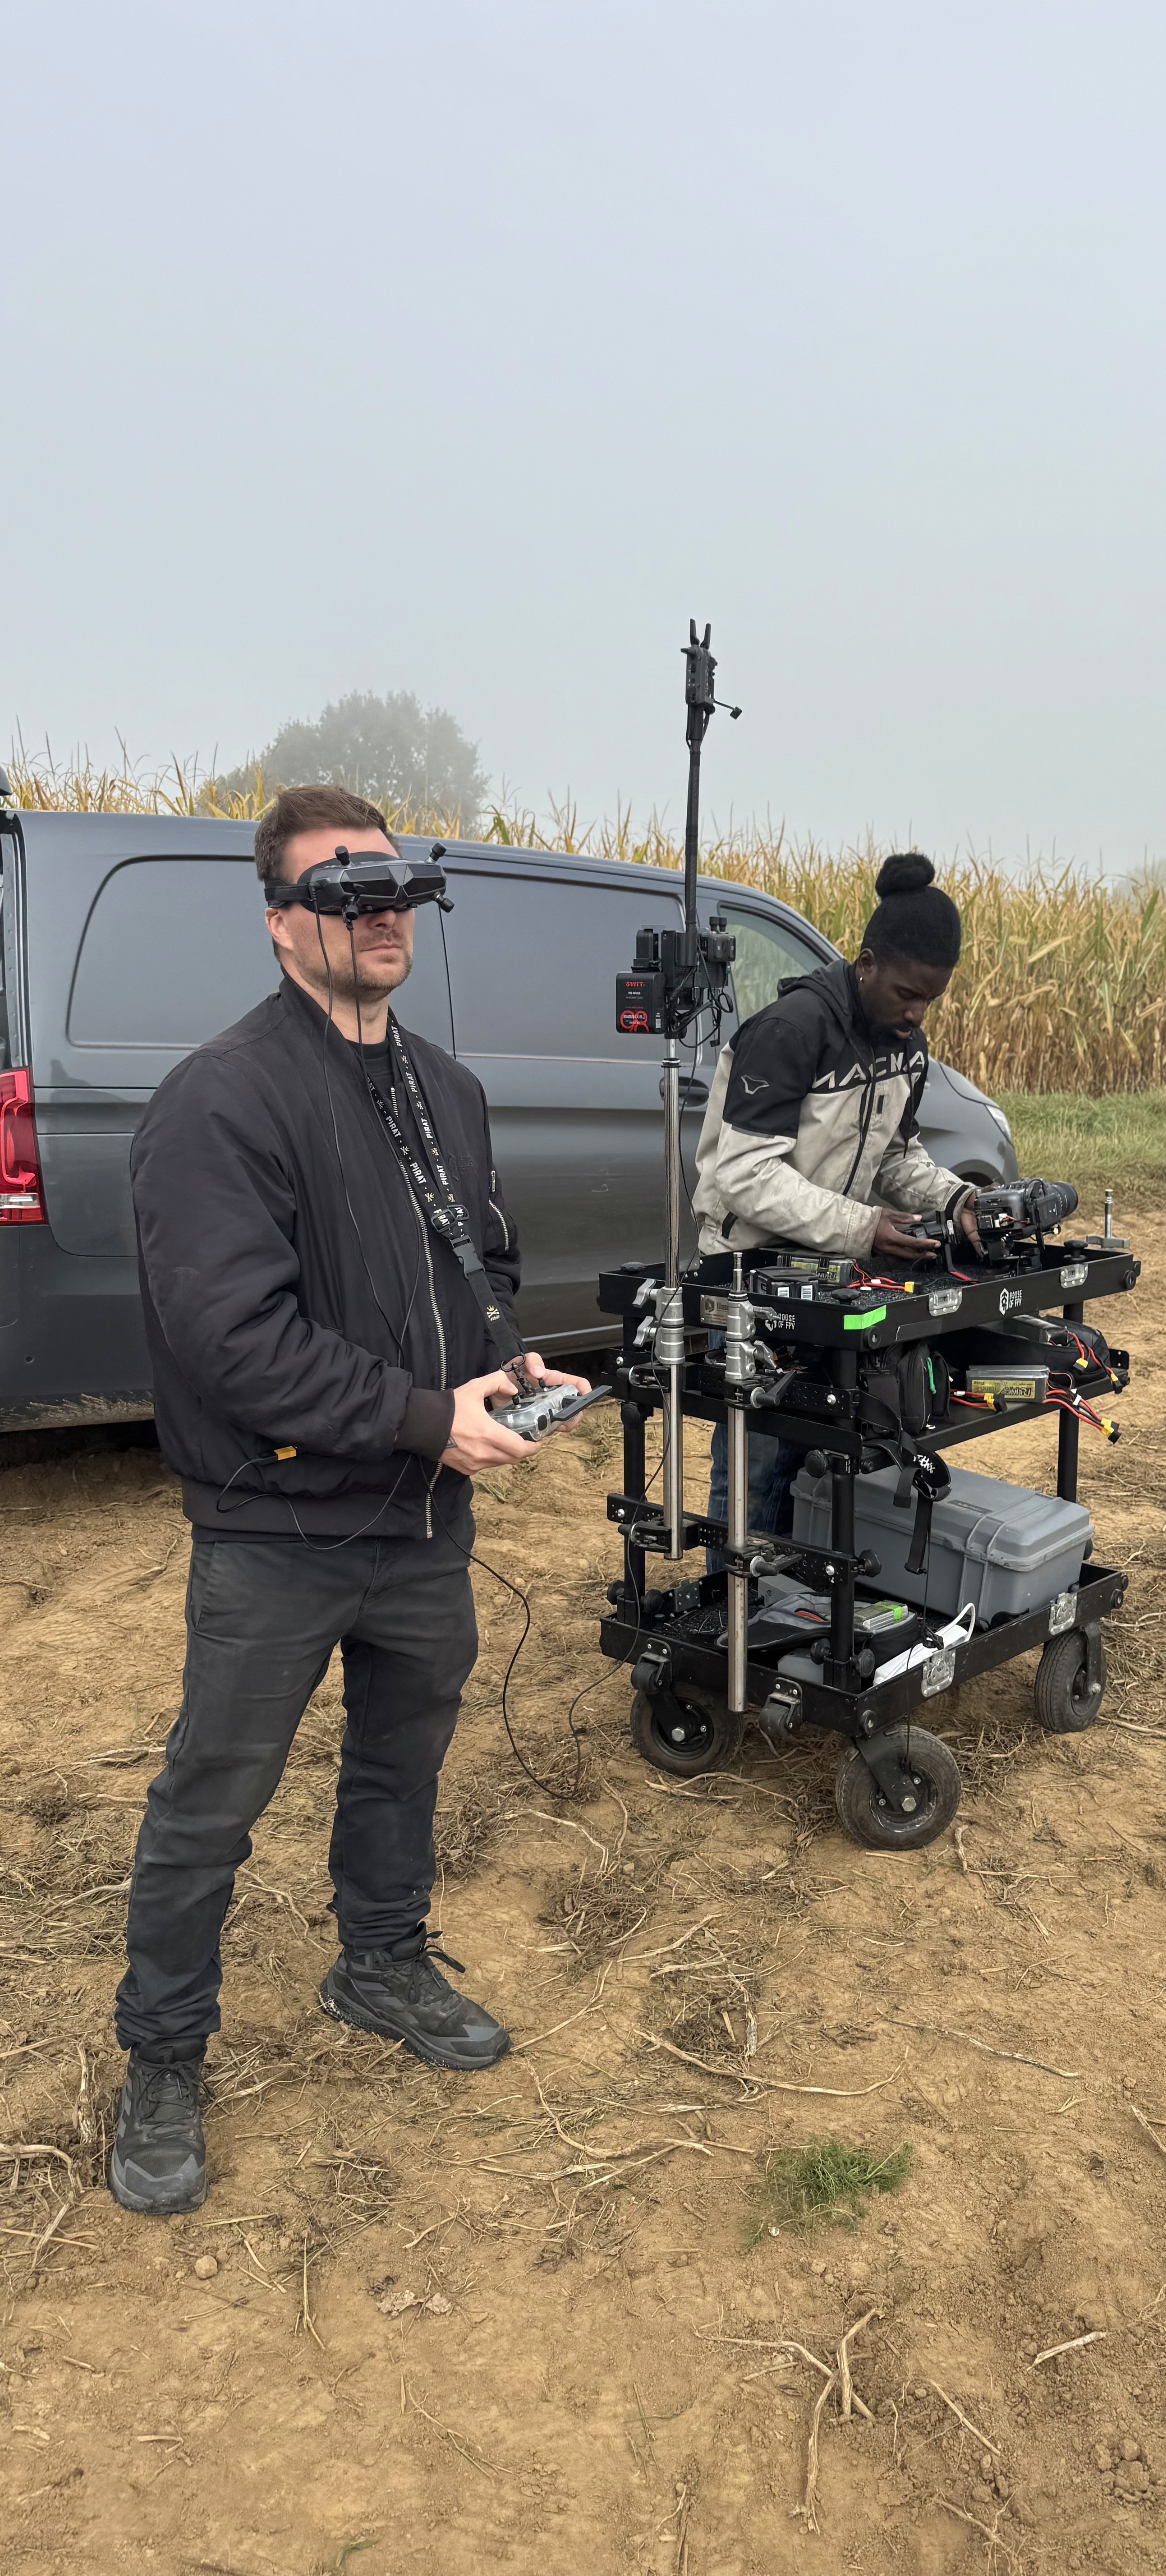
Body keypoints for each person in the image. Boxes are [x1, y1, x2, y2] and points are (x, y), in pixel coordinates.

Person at [109, 784, 588, 2217]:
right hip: (278, 1529)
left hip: (421, 1523)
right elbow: (230, 1340)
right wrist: (415, 1416)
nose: (376, 912)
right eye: (338, 890)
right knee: (212, 1800)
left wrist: (494, 1368)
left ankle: (377, 1965)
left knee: (403, 1762)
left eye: (392, 890)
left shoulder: (448, 1089)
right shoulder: (221, 1098)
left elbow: (474, 1263)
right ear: (277, 922)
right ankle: (161, 2056)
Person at [693, 851, 980, 1544]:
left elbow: (894, 1157)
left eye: (929, 1001)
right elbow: (742, 1175)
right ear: (867, 962)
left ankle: (802, 1608)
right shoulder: (792, 1031)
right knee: (758, 1466)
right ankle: (735, 1620)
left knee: (822, 1456)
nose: (915, 1014)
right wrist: (862, 1229)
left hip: (827, 1273)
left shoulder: (903, 1046)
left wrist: (959, 1203)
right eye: (905, 993)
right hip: (748, 1274)